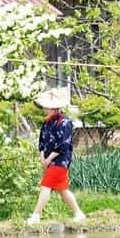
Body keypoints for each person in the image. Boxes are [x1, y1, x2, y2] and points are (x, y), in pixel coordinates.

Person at [27, 88, 85, 225]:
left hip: (60, 160)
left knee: (45, 186)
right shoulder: (47, 122)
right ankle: (79, 213)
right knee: (62, 190)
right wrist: (42, 156)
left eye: (47, 107)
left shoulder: (65, 123)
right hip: (48, 160)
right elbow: (41, 141)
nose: (45, 109)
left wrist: (49, 158)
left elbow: (63, 144)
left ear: (55, 108)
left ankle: (36, 215)